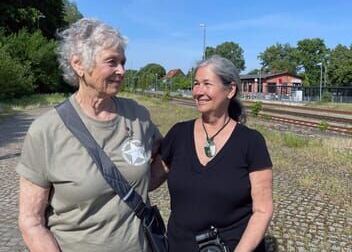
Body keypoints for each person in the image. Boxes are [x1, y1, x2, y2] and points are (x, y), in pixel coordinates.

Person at [16, 18, 162, 252]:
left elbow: (164, 160)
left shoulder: (138, 116)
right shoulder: (46, 130)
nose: (121, 71)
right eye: (112, 62)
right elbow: (31, 221)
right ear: (79, 64)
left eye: (123, 62)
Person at [153, 55, 273, 251]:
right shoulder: (178, 134)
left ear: (230, 89)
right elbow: (148, 180)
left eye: (207, 84)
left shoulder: (251, 142)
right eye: (196, 84)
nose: (198, 91)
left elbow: (263, 210)